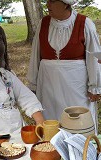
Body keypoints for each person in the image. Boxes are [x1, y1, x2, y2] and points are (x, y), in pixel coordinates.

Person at [27, 0, 101, 134]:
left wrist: (95, 86)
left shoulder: (85, 24)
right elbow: (35, 54)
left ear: (66, 4)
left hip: (76, 88)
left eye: (52, 1)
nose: (48, 4)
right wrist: (32, 84)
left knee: (78, 121)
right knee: (51, 121)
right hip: (48, 86)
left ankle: (81, 150)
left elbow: (94, 57)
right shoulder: (43, 24)